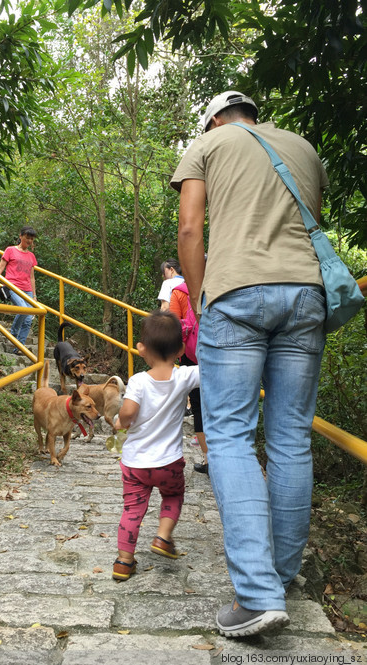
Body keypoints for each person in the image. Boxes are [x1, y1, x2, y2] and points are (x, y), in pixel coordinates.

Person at [171, 91, 328, 637]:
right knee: (291, 439)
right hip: (307, 296)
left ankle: (258, 594)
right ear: (253, 114)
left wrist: (201, 296)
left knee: (232, 435)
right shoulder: (304, 148)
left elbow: (191, 229)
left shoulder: (208, 143)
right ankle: (279, 581)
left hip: (235, 294)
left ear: (215, 120)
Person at [112, 310, 199, 582]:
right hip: (169, 462)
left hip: (136, 464)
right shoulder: (186, 376)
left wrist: (119, 422)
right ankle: (162, 537)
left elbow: (127, 414)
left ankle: (124, 562)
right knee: (173, 496)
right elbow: (214, 368)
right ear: (181, 349)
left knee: (132, 509)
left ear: (141, 348)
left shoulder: (138, 381)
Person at [169, 281, 208, 474]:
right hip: (222, 353)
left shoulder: (180, 292)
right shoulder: (220, 284)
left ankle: (208, 459)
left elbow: (173, 325)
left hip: (192, 355)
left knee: (198, 405)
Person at [0, 226, 38, 349]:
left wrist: (35, 296)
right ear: (20, 236)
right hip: (12, 287)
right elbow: (0, 268)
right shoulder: (10, 250)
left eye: (31, 239)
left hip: (27, 290)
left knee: (28, 320)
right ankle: (13, 334)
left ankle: (18, 347)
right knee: (23, 309)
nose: (29, 241)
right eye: (27, 237)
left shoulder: (31, 256)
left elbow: (32, 277)